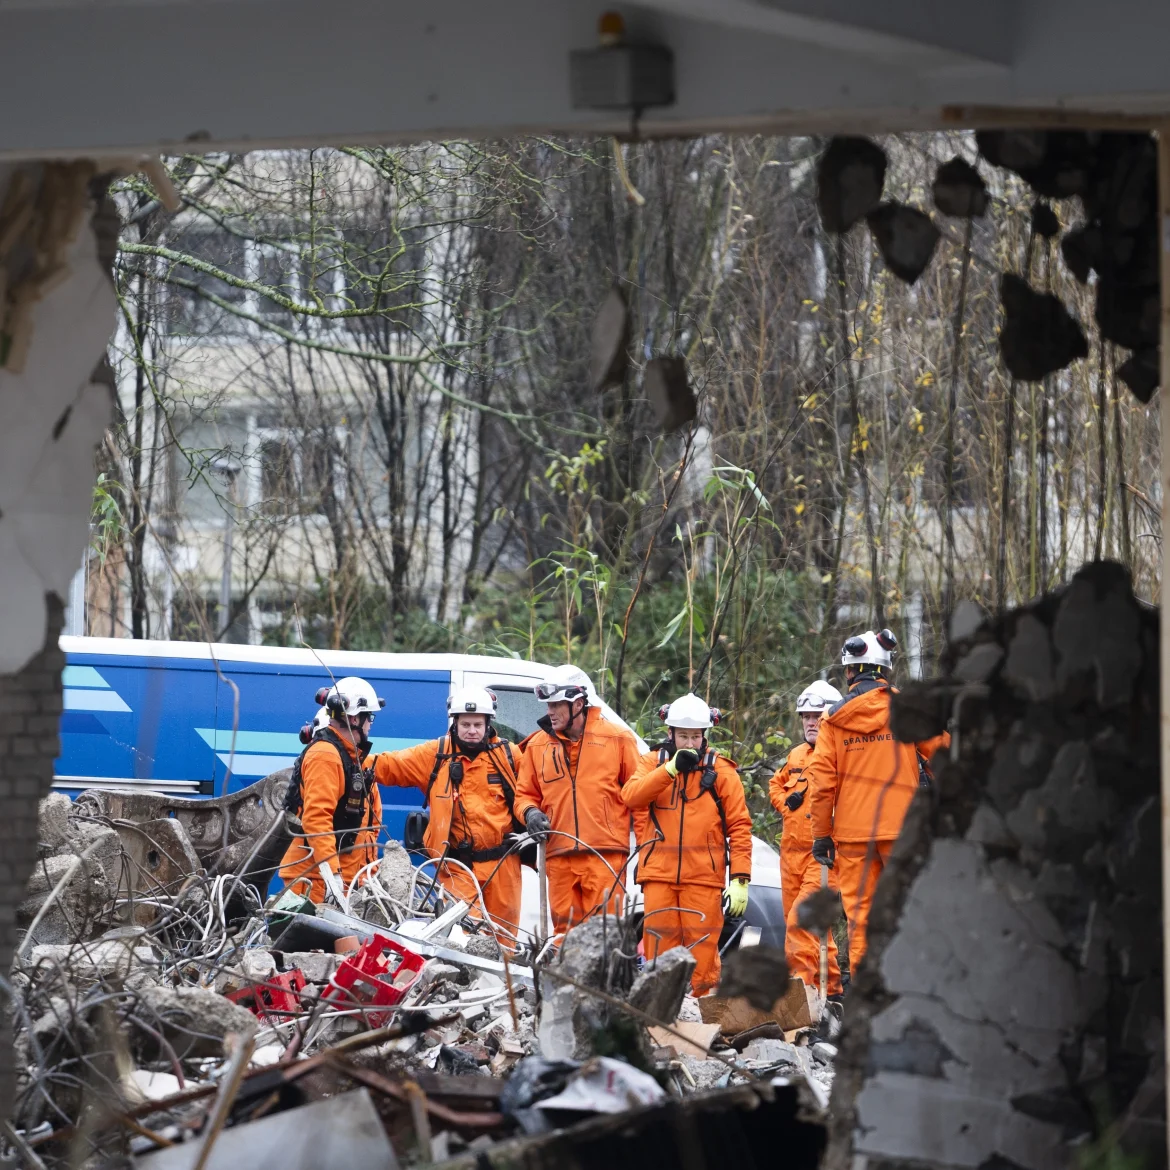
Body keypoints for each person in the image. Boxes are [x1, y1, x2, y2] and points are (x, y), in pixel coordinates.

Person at [806, 630, 949, 973]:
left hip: (854, 837)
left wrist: (821, 835)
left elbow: (823, 784)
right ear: (884, 669)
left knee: (862, 923)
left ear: (850, 671)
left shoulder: (833, 720)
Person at [370, 687, 524, 948]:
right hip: (457, 866)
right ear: (455, 723)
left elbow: (532, 793)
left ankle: (502, 987)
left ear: (488, 724)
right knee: (462, 938)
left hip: (503, 865)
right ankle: (464, 988)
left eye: (477, 724)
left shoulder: (510, 756)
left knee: (504, 940)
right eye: (465, 724)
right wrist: (340, 757)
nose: (472, 730)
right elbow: (387, 765)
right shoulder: (435, 754)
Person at [622, 693, 753, 996]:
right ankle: (657, 1026)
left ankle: (701, 1031)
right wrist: (669, 771)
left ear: (705, 735)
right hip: (659, 878)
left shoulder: (721, 772)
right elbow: (631, 796)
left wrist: (740, 880)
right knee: (658, 960)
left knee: (703, 963)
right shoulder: (652, 763)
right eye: (684, 736)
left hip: (703, 882)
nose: (691, 743)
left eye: (696, 736)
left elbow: (740, 826)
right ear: (670, 734)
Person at [514, 665, 641, 934]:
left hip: (605, 857)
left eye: (557, 704)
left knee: (606, 936)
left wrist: (646, 854)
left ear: (579, 704)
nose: (550, 711)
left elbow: (640, 799)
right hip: (559, 859)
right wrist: (530, 814)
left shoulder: (618, 739)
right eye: (549, 704)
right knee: (564, 939)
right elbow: (523, 795)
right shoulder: (537, 746)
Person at [279, 676, 384, 905]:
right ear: (355, 718)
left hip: (333, 876)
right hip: (315, 878)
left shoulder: (349, 757)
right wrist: (332, 875)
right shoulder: (326, 755)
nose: (371, 724)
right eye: (370, 717)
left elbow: (364, 829)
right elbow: (317, 819)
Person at [769, 680, 844, 997]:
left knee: (800, 924)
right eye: (806, 716)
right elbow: (775, 784)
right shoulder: (797, 754)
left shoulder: (843, 754)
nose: (811, 722)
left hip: (825, 857)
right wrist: (787, 806)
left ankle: (802, 995)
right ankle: (834, 991)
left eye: (817, 715)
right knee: (812, 929)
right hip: (791, 856)